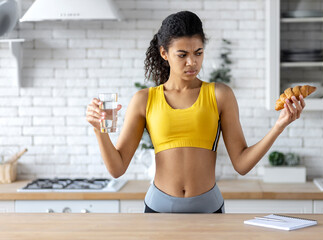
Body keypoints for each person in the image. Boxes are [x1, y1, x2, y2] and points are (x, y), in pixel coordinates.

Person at [86, 11, 306, 213]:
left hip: (209, 209)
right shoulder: (144, 99)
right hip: (157, 209)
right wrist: (99, 131)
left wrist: (279, 126)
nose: (192, 62)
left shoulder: (220, 95)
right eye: (182, 55)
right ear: (164, 53)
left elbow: (241, 164)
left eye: (198, 53)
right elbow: (117, 168)